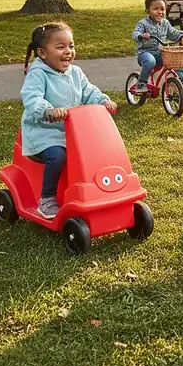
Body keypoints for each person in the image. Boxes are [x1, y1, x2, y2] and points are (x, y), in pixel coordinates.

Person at [21, 22, 117, 219]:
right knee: (57, 156)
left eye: (71, 46)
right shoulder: (38, 74)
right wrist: (47, 109)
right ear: (42, 53)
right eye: (60, 47)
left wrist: (103, 101)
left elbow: (88, 91)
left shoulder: (75, 72)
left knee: (98, 151)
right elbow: (31, 97)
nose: (68, 52)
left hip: (72, 132)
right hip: (43, 132)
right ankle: (46, 199)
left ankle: (95, 190)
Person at [132, 0, 183, 94]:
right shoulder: (143, 23)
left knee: (175, 59)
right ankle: (141, 84)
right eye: (155, 9)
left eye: (162, 9)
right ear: (147, 11)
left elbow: (173, 33)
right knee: (150, 62)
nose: (159, 12)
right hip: (145, 53)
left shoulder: (165, 23)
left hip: (160, 52)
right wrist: (141, 35)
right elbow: (135, 34)